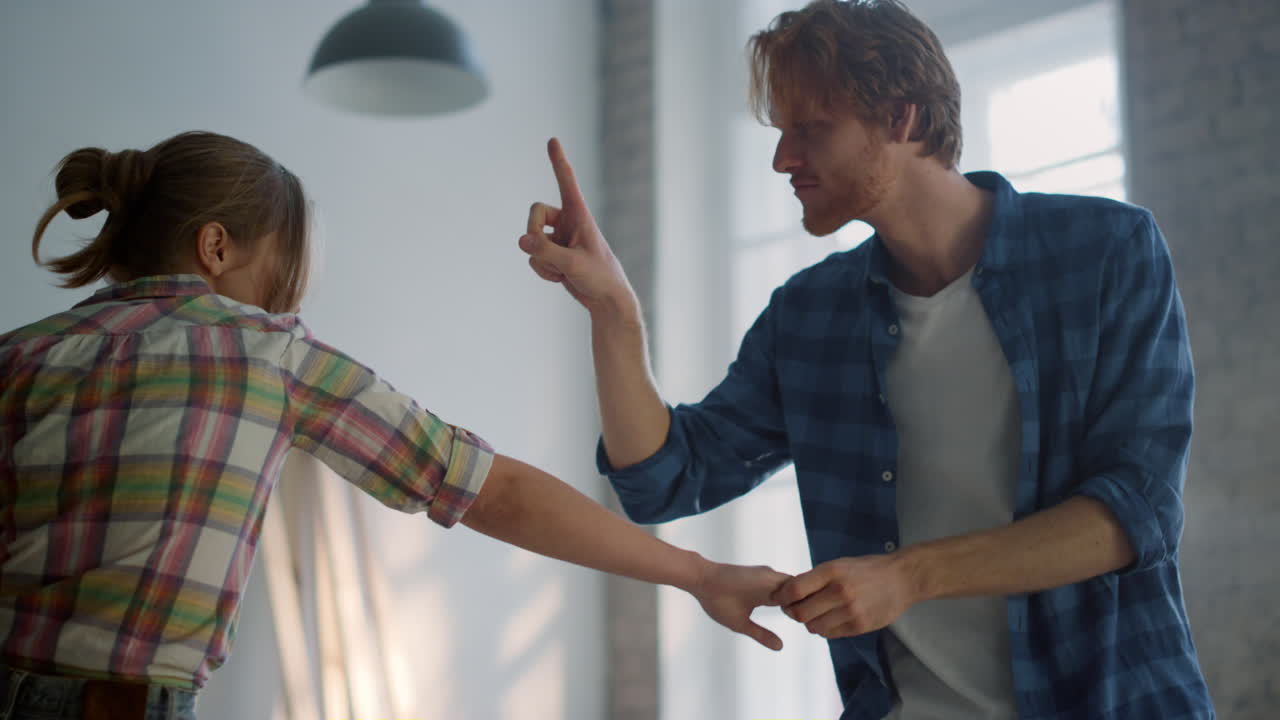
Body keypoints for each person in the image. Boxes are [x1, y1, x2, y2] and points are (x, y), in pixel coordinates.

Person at [516, 1, 1215, 718]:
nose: (783, 159)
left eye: (811, 129)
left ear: (900, 119)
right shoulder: (809, 315)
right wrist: (615, 315)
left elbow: (1138, 513)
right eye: (781, 131)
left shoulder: (1106, 251)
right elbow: (663, 480)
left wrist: (909, 577)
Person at [0, 131, 789, 720]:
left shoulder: (23, 354)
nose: (289, 304)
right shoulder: (263, 352)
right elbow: (493, 491)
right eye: (282, 274)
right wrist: (699, 573)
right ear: (215, 247)